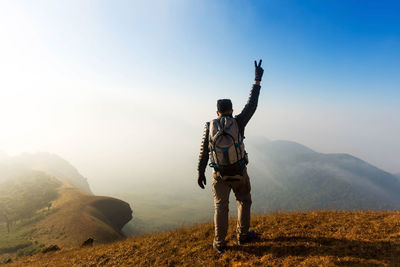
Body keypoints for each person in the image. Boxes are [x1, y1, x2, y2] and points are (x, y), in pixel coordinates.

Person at [197, 60, 264, 253]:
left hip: (219, 174)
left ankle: (219, 243)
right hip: (239, 171)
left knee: (221, 206)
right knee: (244, 200)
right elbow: (252, 105)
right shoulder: (238, 122)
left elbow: (204, 152)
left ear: (217, 112)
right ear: (232, 110)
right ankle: (242, 236)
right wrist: (257, 81)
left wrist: (200, 172)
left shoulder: (210, 126)